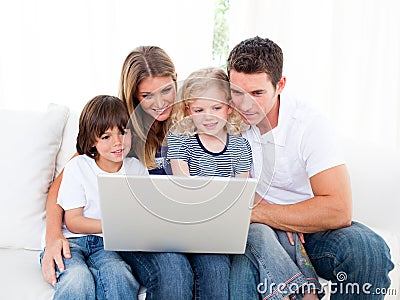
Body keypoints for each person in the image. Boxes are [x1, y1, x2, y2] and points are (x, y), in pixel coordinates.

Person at [227, 36, 394, 299]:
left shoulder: (308, 124)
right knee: (240, 275)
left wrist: (267, 214)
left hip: (307, 230)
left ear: (280, 85)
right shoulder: (220, 119)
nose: (245, 104)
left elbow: (339, 210)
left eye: (257, 93)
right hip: (254, 233)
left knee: (368, 250)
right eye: (238, 92)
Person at [41, 46, 194, 300]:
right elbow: (60, 188)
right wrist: (53, 236)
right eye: (147, 95)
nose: (159, 103)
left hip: (166, 226)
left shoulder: (194, 116)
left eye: (166, 90)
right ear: (134, 95)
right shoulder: (121, 128)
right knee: (170, 269)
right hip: (126, 234)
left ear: (176, 79)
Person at [43, 95, 147, 299]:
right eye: (106, 137)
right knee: (77, 279)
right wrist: (115, 224)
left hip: (107, 246)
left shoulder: (136, 169)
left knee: (119, 274)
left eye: (123, 132)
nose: (118, 142)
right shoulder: (78, 166)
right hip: (71, 242)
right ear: (92, 141)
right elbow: (73, 222)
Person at [167, 67, 252, 298]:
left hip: (219, 230)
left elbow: (241, 195)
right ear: (188, 110)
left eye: (216, 108)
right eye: (199, 109)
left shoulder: (239, 147)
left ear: (229, 107)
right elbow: (183, 187)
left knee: (215, 269)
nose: (209, 116)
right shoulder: (181, 141)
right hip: (185, 224)